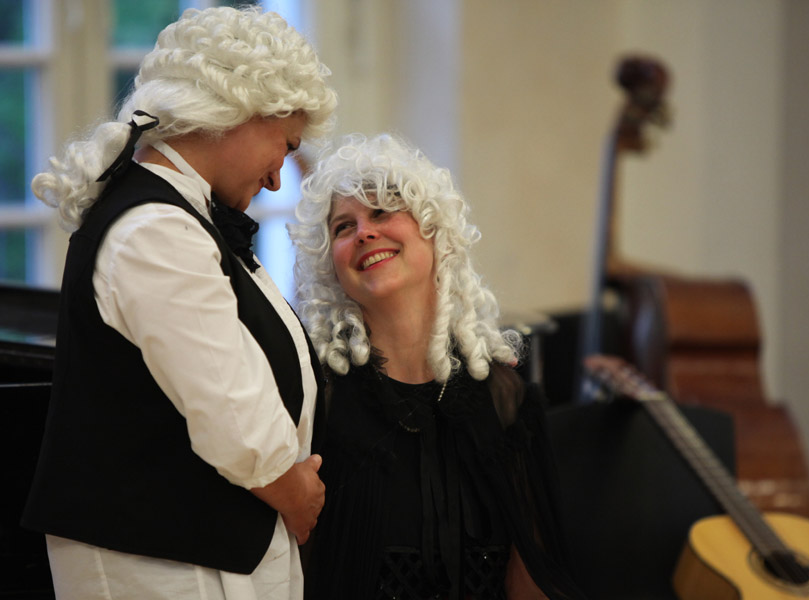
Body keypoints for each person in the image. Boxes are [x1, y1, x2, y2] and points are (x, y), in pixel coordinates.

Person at [22, 6, 337, 599]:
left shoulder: (179, 216)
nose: (277, 178)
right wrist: (295, 491)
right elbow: (231, 407)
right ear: (240, 111)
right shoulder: (157, 229)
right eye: (285, 145)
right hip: (162, 563)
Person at [289, 133, 587, 599]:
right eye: (343, 227)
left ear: (435, 230)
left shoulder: (505, 399)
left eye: (382, 212)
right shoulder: (316, 396)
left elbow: (531, 580)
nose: (364, 232)